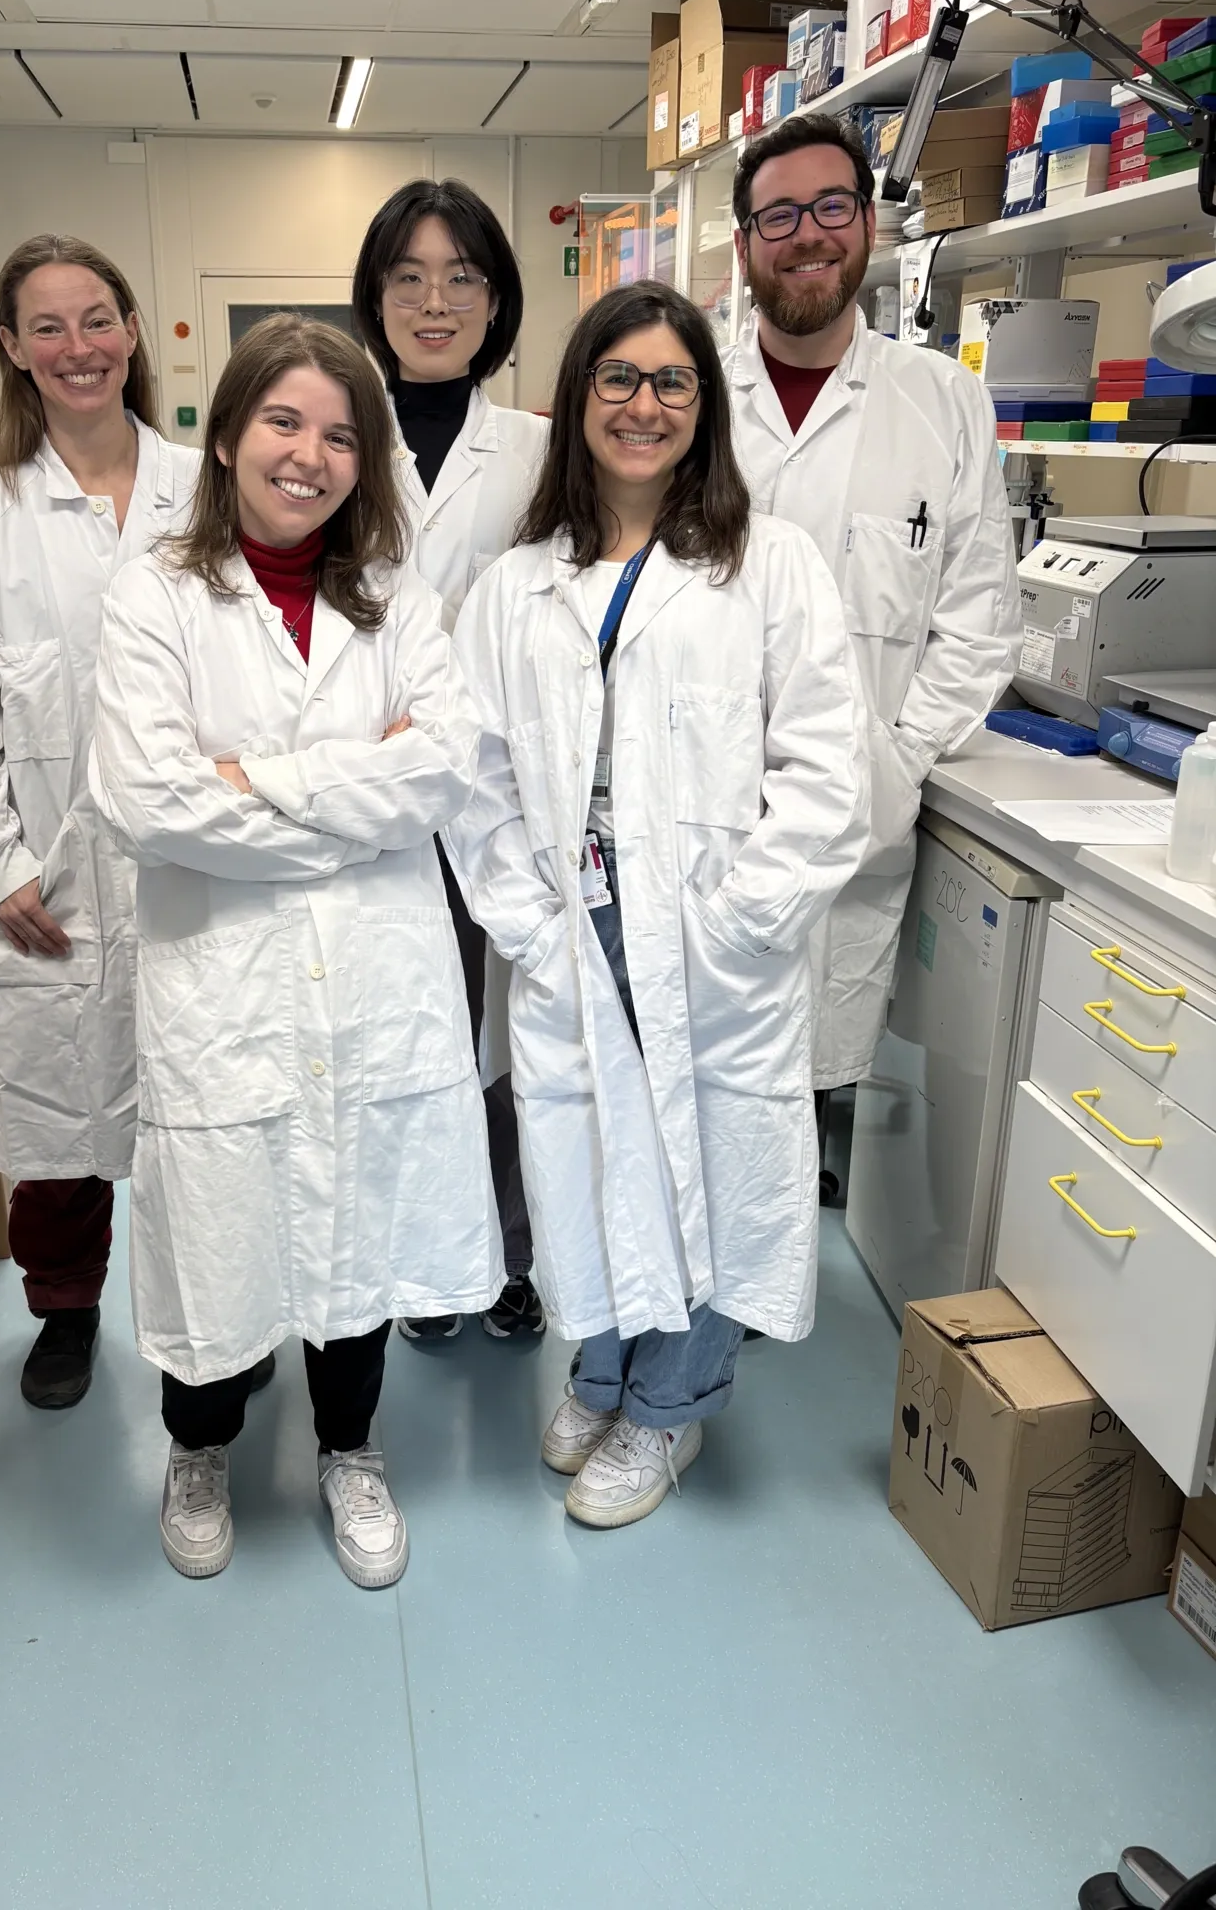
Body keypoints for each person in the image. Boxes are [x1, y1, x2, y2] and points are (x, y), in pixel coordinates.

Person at [444, 283, 868, 1529]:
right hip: (569, 926)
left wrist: (739, 916)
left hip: (709, 925)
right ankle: (603, 1367)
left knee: (709, 1156)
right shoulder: (516, 587)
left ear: (705, 404)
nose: (643, 404)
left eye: (671, 381)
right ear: (577, 400)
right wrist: (526, 919)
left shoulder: (769, 563)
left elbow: (827, 764)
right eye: (617, 378)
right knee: (586, 1153)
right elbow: (468, 780)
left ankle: (674, 1404)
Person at [90, 314, 502, 1586]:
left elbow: (445, 765)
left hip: (374, 976)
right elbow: (146, 797)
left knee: (359, 1218)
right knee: (218, 1222)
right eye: (283, 421)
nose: (310, 453)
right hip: (225, 980)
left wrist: (258, 783)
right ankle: (201, 1444)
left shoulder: (394, 595)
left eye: (339, 433)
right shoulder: (154, 589)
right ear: (223, 436)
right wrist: (348, 798)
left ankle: (349, 1445)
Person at [0, 234, 200, 1413]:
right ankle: (67, 1312)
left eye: (97, 319)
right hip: (51, 874)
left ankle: (210, 1311)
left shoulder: (200, 485)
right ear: (14, 351)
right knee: (61, 1124)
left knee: (200, 1112)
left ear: (132, 329)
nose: (78, 346)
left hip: (190, 867)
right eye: (49, 327)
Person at [726, 112, 1020, 1104]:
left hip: (856, 829)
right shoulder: (687, 402)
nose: (807, 233)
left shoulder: (944, 401)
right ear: (744, 244)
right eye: (779, 215)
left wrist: (890, 766)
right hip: (702, 824)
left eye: (831, 206)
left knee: (799, 1102)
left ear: (868, 224)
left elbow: (978, 624)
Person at [352, 177, 549, 1343]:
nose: (436, 301)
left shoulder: (535, 447)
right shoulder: (332, 429)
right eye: (409, 277)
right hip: (371, 798)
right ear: (375, 297)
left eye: (462, 277)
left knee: (504, 1035)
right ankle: (417, 1259)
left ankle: (509, 1255)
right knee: (391, 1038)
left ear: (496, 299)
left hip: (501, 794)